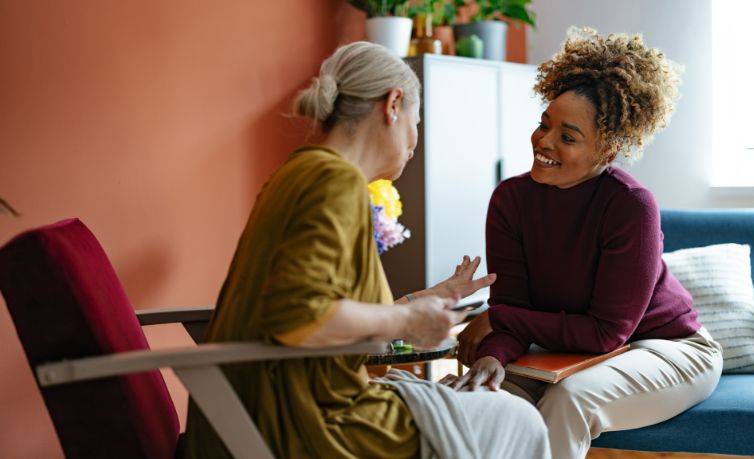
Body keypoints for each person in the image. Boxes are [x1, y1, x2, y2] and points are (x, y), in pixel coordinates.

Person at [183, 41, 550, 459]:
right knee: (516, 418)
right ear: (393, 103)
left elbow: (320, 309)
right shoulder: (334, 181)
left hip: (253, 410)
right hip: (301, 422)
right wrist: (408, 318)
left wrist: (426, 300)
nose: (414, 142)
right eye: (417, 122)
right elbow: (299, 315)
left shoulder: (298, 173)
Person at [441, 27, 724, 459]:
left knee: (568, 400)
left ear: (607, 151)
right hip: (566, 351)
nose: (544, 142)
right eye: (544, 124)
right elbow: (514, 303)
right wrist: (494, 356)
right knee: (482, 399)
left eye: (568, 137)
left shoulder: (631, 206)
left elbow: (605, 333)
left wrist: (500, 319)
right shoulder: (510, 200)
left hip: (669, 349)